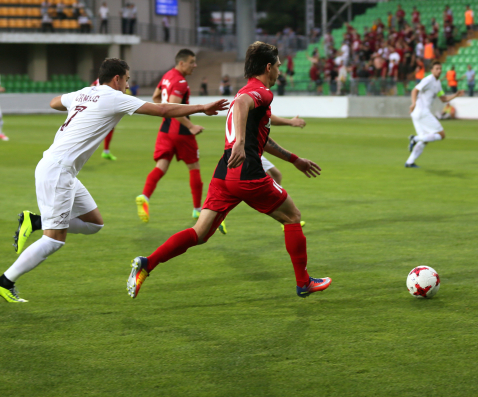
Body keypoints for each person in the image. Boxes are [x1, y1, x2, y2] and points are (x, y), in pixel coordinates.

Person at [0, 58, 227, 303]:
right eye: (126, 80)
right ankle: (5, 281)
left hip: (60, 169)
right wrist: (202, 107)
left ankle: (36, 220)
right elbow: (163, 110)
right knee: (53, 240)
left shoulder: (85, 92)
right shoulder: (114, 97)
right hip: (57, 172)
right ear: (117, 79)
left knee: (94, 224)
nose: (127, 85)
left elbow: (53, 102)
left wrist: (78, 104)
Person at [127, 42, 330, 301]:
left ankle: (147, 263)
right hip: (248, 172)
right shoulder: (261, 93)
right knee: (292, 217)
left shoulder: (249, 90)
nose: (279, 71)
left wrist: (294, 159)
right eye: (278, 66)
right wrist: (241, 144)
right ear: (268, 67)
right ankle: (304, 282)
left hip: (225, 172)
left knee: (199, 233)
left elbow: (261, 139)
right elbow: (242, 105)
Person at [136, 49, 208, 223]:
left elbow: (155, 97)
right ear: (181, 63)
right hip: (181, 130)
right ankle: (197, 210)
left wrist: (164, 111)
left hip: (165, 129)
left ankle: (144, 197)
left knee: (161, 166)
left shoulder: (167, 75)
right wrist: (190, 126)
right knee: (194, 167)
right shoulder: (180, 81)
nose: (195, 65)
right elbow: (175, 108)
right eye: (192, 62)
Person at [405, 61, 464, 168]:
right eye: (436, 68)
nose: (439, 71)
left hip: (417, 114)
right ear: (431, 70)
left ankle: (409, 162)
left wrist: (456, 95)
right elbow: (414, 90)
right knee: (441, 135)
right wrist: (413, 103)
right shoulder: (428, 79)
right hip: (422, 112)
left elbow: (443, 98)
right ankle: (414, 139)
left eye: (440, 69)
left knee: (425, 139)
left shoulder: (438, 83)